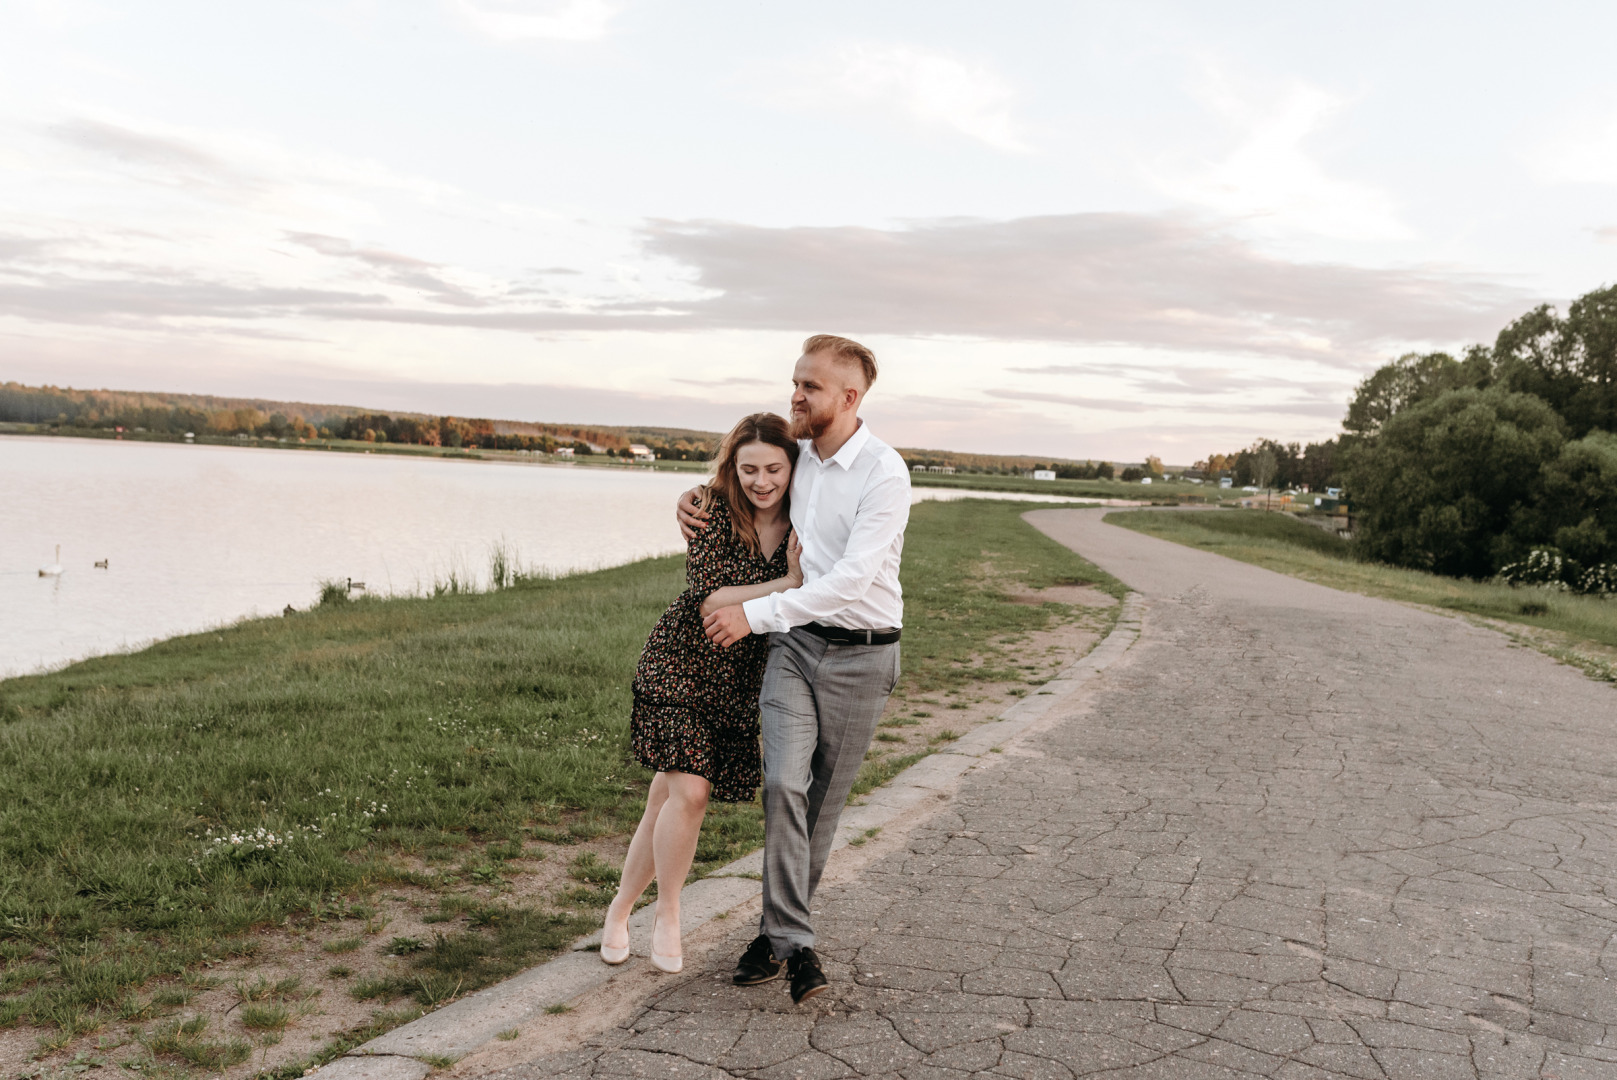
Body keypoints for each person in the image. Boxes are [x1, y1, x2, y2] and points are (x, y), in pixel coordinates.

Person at [677, 334, 910, 1004]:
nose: (794, 396)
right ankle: (796, 943)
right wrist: (690, 497)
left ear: (849, 396)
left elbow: (850, 580)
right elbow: (740, 476)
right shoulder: (797, 455)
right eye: (794, 381)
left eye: (808, 386)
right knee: (782, 783)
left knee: (822, 806)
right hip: (796, 647)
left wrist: (755, 614)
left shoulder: (884, 474)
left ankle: (775, 936)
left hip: (863, 654)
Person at [601, 413, 803, 973]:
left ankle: (619, 910)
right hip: (681, 666)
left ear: (793, 467)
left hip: (739, 682)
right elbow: (712, 598)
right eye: (748, 469)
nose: (761, 482)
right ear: (731, 468)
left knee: (664, 801)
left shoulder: (805, 517)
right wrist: (785, 584)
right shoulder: (710, 509)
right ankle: (668, 913)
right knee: (690, 795)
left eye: (774, 469)